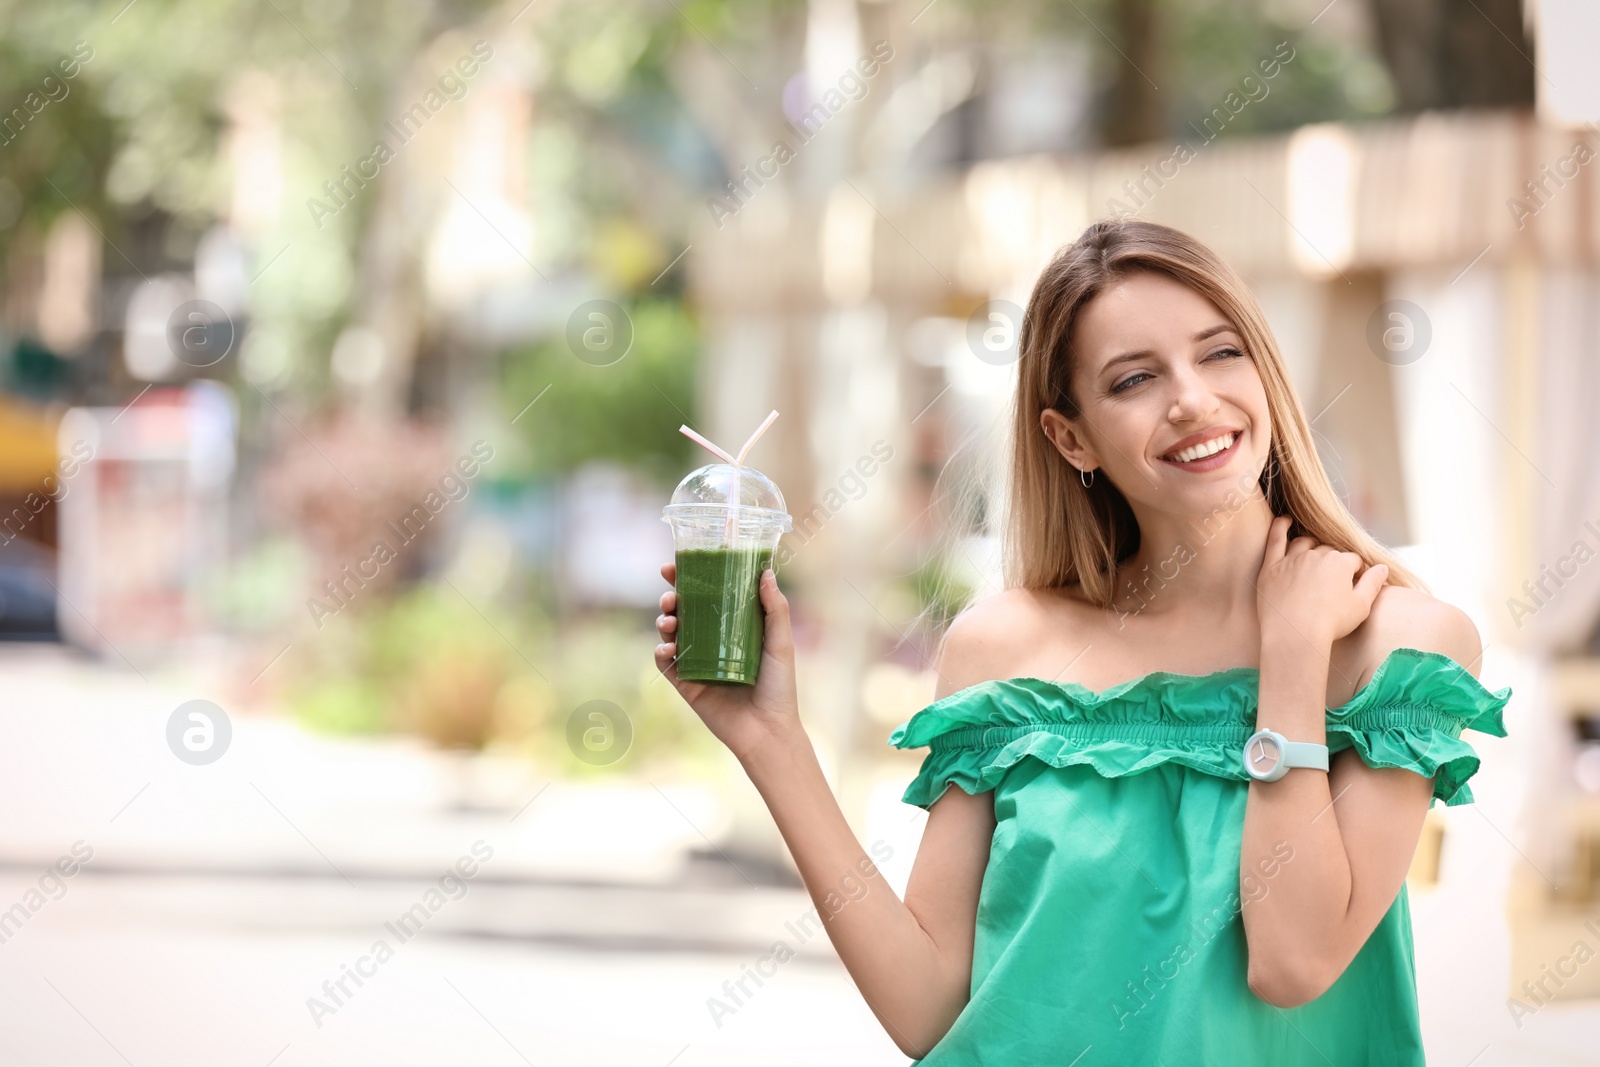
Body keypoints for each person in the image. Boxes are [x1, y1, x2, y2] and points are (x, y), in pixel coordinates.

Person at [653, 218, 1511, 1064]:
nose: (1191, 399)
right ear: (1071, 436)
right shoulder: (1005, 650)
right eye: (1134, 378)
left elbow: (1293, 962)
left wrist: (1293, 660)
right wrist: (773, 742)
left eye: (1220, 352)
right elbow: (928, 1009)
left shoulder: (1399, 649)